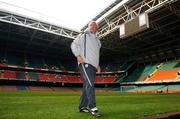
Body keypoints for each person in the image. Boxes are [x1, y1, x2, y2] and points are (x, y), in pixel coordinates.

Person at [71, 21, 101, 117]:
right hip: (85, 63)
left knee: (86, 86)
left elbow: (96, 54)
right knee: (90, 84)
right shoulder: (84, 35)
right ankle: (93, 107)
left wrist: (97, 65)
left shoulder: (98, 42)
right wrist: (78, 56)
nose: (92, 26)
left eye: (94, 25)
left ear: (97, 28)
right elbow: (73, 44)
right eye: (90, 25)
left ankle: (82, 106)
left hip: (93, 66)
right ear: (88, 27)